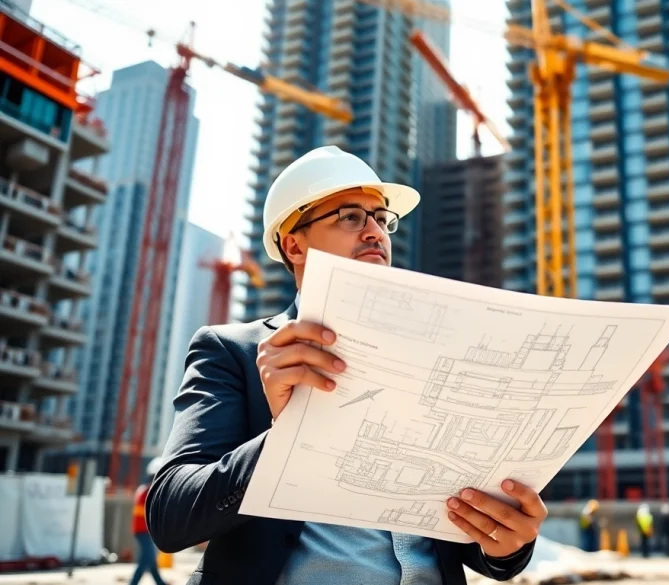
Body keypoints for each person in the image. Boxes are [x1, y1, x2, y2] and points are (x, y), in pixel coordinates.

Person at [145, 146, 542, 584]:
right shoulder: (231, 351)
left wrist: (508, 545)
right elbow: (170, 514)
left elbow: (469, 534)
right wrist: (288, 436)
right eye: (350, 217)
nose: (375, 231)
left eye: (381, 218)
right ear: (294, 244)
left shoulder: (439, 358)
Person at [129, 464, 168, 585]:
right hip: (143, 531)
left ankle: (161, 583)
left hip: (142, 531)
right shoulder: (147, 492)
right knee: (146, 560)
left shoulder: (143, 490)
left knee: (150, 561)